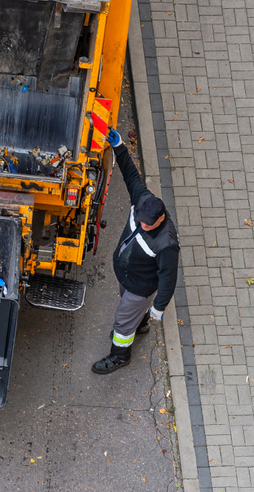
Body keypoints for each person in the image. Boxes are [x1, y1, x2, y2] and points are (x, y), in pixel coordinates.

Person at [92, 128, 179, 374]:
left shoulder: (166, 244)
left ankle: (120, 355)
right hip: (128, 277)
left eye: (147, 224)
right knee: (128, 311)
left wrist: (159, 307)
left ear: (160, 219)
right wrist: (119, 146)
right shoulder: (143, 201)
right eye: (140, 220)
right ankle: (139, 325)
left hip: (140, 287)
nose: (142, 225)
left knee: (121, 322)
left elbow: (169, 278)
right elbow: (131, 175)